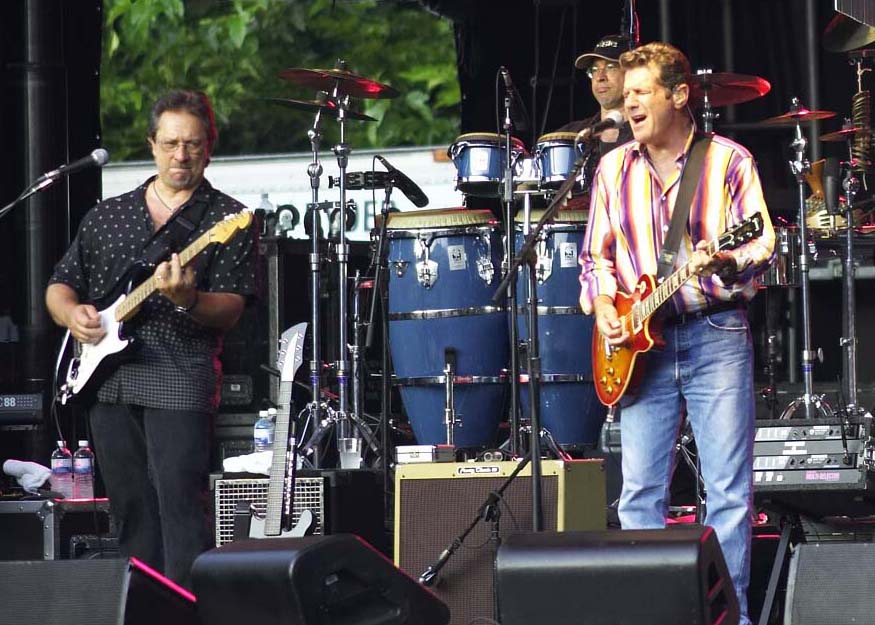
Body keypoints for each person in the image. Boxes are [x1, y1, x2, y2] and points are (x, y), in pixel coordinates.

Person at [578, 42, 775, 625]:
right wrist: (604, 306)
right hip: (640, 349)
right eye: (627, 94)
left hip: (716, 332)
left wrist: (727, 260)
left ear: (679, 95)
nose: (629, 104)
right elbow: (595, 259)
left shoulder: (728, 161)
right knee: (639, 494)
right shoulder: (612, 168)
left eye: (641, 92)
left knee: (728, 494)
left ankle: (731, 619)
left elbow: (763, 240)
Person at [45, 90, 256, 588]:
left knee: (181, 508)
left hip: (179, 376)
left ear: (209, 148)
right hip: (108, 381)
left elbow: (232, 307)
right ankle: (140, 604)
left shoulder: (226, 219)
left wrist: (188, 299)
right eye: (171, 143)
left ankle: (188, 610)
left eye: (193, 144)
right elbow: (60, 285)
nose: (181, 155)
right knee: (130, 509)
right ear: (152, 145)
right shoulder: (108, 216)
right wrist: (72, 314)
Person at [557, 34, 636, 195]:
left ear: (631, 73)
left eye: (610, 67)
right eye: (594, 70)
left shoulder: (647, 135)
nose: (600, 77)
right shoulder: (571, 135)